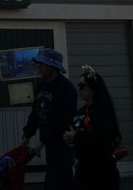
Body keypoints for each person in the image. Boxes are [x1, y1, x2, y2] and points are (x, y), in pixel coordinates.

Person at [21, 47, 78, 190]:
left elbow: (62, 119)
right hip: (49, 146)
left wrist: (42, 141)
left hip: (63, 144)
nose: (39, 66)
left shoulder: (66, 88)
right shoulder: (41, 86)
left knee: (62, 181)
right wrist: (27, 133)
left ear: (52, 66)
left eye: (42, 64)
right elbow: (35, 112)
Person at [63, 64, 121, 189]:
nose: (79, 89)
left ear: (93, 88)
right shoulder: (81, 111)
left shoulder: (103, 111)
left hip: (101, 171)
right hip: (83, 169)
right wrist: (70, 137)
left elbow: (102, 139)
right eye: (78, 86)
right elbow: (76, 133)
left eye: (82, 86)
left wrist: (76, 136)